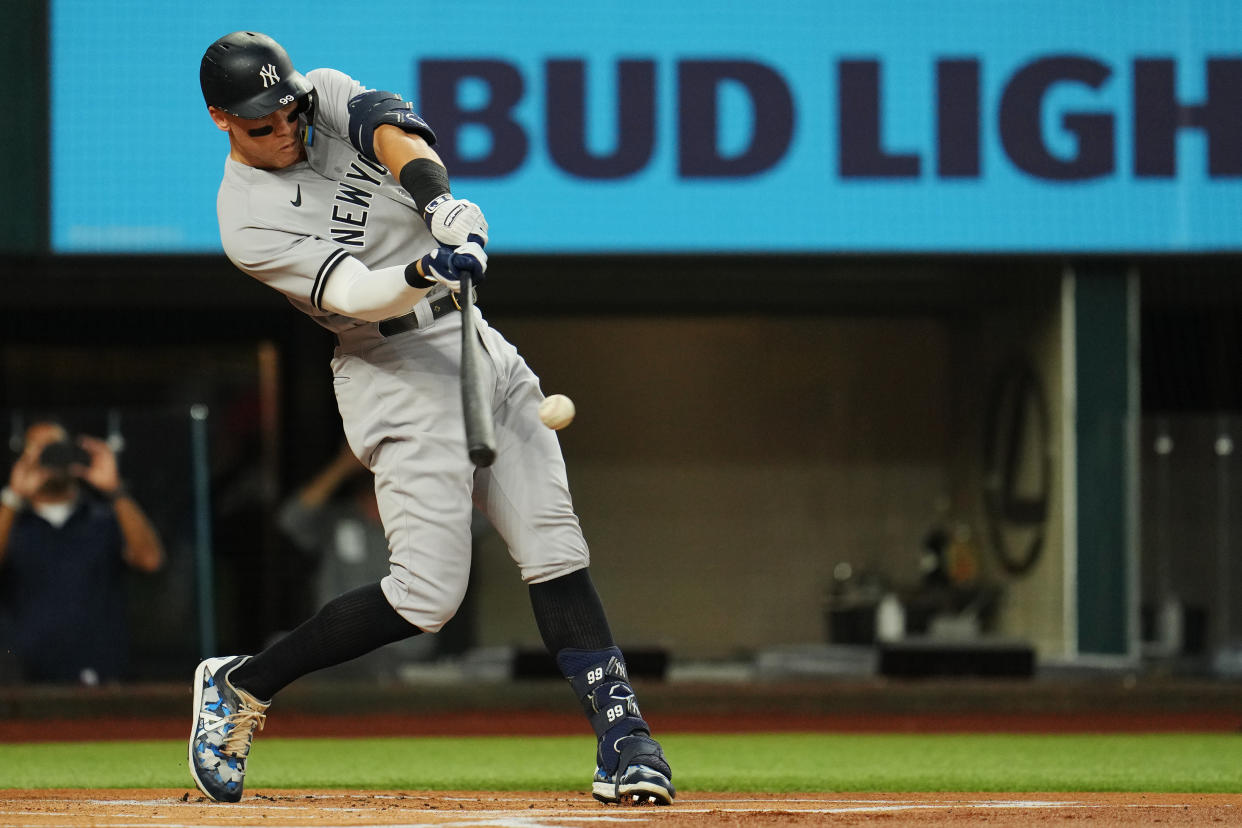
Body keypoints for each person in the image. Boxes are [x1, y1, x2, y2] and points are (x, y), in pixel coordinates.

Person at [189, 32, 673, 806]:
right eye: (260, 123)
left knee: (553, 542)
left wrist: (439, 202)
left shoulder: (324, 92)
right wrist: (426, 265)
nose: (283, 129)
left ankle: (626, 741)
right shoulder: (245, 219)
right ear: (221, 119)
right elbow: (353, 295)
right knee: (426, 598)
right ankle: (242, 685)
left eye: (288, 112)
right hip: (389, 366)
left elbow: (395, 133)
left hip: (472, 337)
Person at [0, 421, 164, 684]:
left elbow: (150, 559)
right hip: (25, 676)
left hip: (99, 671)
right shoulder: (11, 522)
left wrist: (115, 489)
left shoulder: (103, 518)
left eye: (55, 448)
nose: (49, 457)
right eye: (39, 449)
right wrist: (13, 496)